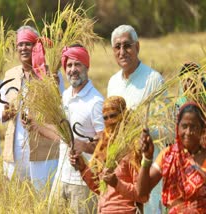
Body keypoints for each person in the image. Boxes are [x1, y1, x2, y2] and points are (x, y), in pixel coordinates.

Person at [0, 26, 65, 191]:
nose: (23, 48)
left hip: (43, 154)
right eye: (20, 44)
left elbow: (60, 110)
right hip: (14, 153)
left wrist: (53, 87)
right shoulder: (10, 74)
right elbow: (0, 111)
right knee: (14, 200)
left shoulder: (51, 75)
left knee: (41, 199)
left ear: (37, 46)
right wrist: (5, 113)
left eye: (28, 44)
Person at [107, 24, 164, 213]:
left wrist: (140, 129)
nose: (122, 51)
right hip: (122, 173)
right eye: (117, 47)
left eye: (127, 45)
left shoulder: (153, 80)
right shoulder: (113, 82)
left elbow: (166, 129)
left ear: (137, 47)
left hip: (146, 170)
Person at [70, 96, 149, 213]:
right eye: (105, 118)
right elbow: (100, 189)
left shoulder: (133, 149)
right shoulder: (103, 147)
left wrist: (117, 183)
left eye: (113, 115)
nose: (110, 121)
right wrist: (82, 168)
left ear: (124, 116)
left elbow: (142, 196)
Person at [49, 44, 104, 214]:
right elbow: (61, 136)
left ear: (87, 66)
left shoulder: (96, 101)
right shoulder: (65, 96)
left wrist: (85, 146)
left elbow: (106, 143)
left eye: (77, 64)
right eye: (69, 65)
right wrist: (34, 125)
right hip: (60, 177)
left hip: (83, 183)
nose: (73, 69)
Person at [137, 102, 206, 213]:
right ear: (177, 128)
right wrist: (147, 158)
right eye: (184, 126)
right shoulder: (168, 155)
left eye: (193, 127)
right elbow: (142, 191)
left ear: (202, 129)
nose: (188, 132)